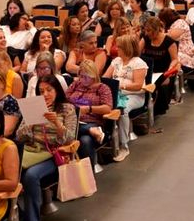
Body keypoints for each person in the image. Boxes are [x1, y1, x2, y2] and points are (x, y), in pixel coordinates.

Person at [17, 75, 77, 221]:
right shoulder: (33, 107)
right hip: (30, 151)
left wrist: (57, 123)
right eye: (41, 91)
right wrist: (30, 123)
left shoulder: (67, 109)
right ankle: (20, 217)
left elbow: (69, 140)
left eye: (49, 90)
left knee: (30, 176)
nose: (45, 94)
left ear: (57, 90)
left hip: (54, 154)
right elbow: (19, 136)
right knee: (5, 169)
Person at [103, 34, 147, 162]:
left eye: (120, 47)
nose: (117, 49)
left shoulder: (139, 63)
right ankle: (106, 137)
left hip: (134, 96)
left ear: (127, 48)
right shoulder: (116, 61)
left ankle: (124, 145)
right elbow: (106, 77)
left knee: (122, 110)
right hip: (116, 94)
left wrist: (119, 85)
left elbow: (138, 85)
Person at [66, 60, 113, 173]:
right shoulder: (76, 84)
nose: (83, 79)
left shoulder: (102, 88)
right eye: (81, 76)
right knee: (75, 132)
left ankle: (87, 176)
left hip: (92, 120)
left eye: (87, 76)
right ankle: (90, 130)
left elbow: (107, 108)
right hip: (72, 120)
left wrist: (89, 109)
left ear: (94, 75)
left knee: (85, 140)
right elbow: (65, 99)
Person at [140, 17, 179, 116]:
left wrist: (170, 70)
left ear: (157, 29)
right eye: (146, 30)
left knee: (159, 83)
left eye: (149, 31)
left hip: (163, 71)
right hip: (148, 71)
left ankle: (155, 108)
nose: (147, 33)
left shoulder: (169, 42)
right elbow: (137, 54)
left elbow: (175, 59)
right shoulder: (145, 39)